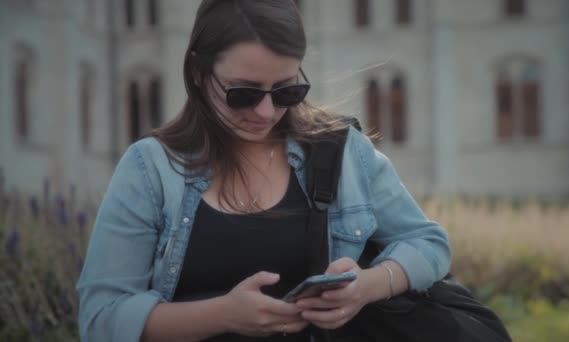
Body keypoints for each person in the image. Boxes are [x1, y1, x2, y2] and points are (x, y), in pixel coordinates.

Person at [76, 0, 452, 341]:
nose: (266, 113)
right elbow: (100, 319)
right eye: (244, 93)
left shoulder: (344, 151)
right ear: (197, 71)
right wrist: (222, 315)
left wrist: (369, 285)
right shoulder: (149, 169)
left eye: (286, 91)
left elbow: (428, 243)